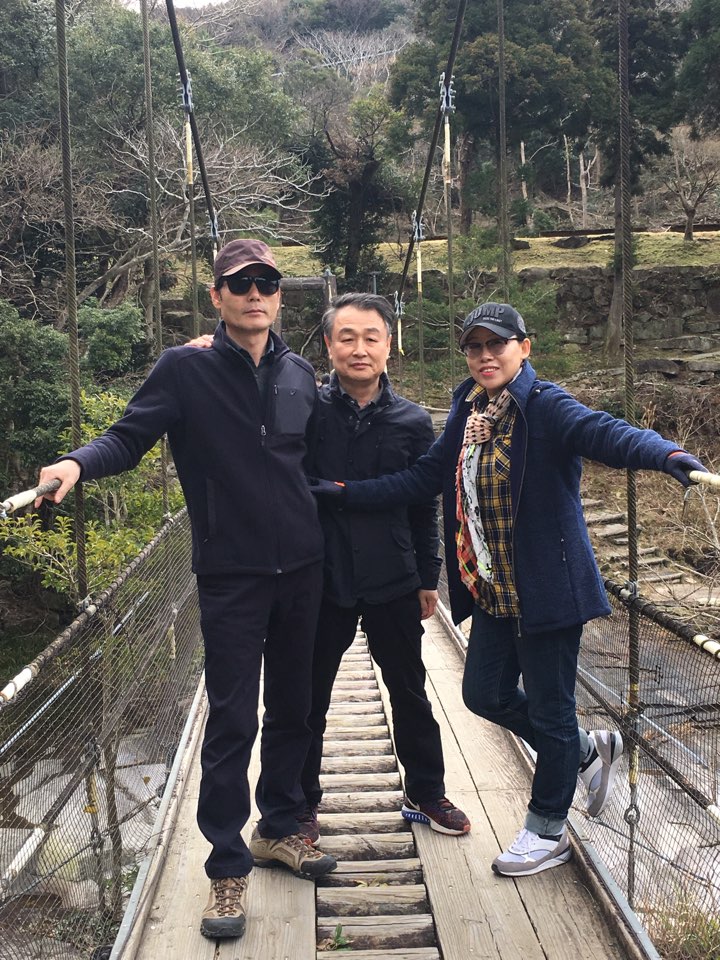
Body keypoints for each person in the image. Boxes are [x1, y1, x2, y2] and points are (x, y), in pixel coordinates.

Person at [311, 300, 708, 877]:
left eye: (496, 344)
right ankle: (584, 749)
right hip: (495, 590)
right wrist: (345, 492)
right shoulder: (468, 405)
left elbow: (602, 432)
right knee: (483, 695)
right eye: (474, 347)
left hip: (548, 590)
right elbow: (425, 477)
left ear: (524, 348)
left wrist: (667, 454)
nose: (485, 355)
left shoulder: (544, 405)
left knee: (550, 713)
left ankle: (547, 830)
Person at [34, 239, 338, 942]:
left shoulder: (300, 374)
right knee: (232, 721)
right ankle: (227, 866)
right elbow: (127, 438)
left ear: (279, 296)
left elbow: (319, 464)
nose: (255, 293)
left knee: (295, 709)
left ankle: (280, 827)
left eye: (267, 283)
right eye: (241, 283)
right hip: (231, 574)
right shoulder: (184, 368)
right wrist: (77, 463)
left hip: (304, 569)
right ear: (216, 296)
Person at [298, 292, 470, 842]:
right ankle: (300, 804)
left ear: (389, 346)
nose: (359, 349)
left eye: (371, 337)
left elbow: (423, 504)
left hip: (392, 575)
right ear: (328, 345)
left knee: (409, 691)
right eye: (346, 337)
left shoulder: (412, 421)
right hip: (321, 578)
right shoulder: (306, 411)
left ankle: (426, 791)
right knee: (307, 699)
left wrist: (427, 577)